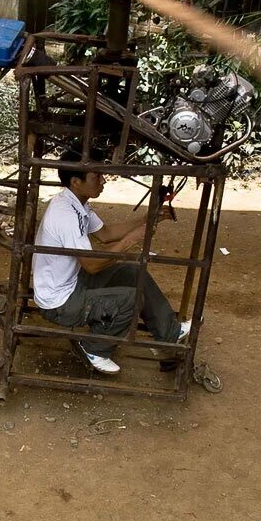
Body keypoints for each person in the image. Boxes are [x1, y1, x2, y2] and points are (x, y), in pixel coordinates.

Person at [32, 150, 192, 375]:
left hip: (71, 282)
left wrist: (148, 217)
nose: (103, 180)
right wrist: (133, 240)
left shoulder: (77, 204)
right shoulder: (65, 214)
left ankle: (169, 333)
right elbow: (92, 265)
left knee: (134, 273)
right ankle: (95, 348)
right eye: (97, 176)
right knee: (132, 299)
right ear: (76, 182)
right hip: (60, 302)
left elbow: (106, 234)